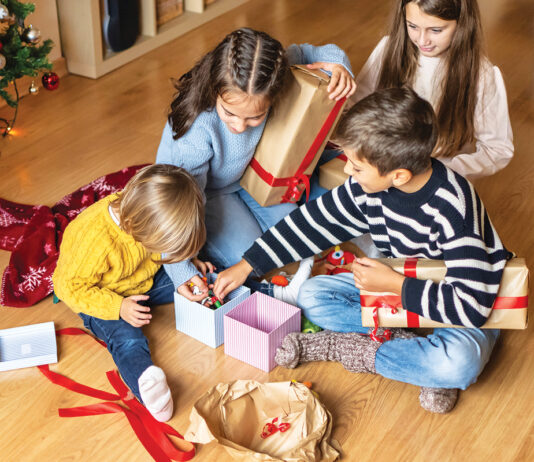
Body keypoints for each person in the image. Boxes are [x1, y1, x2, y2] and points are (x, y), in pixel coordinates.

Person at [212, 87, 512, 414]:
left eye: (356, 167)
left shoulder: (454, 207)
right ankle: (412, 353)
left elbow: (472, 306)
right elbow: (313, 223)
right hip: (398, 285)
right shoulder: (366, 188)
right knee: (312, 297)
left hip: (462, 299)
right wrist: (248, 265)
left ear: (398, 175)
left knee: (458, 365)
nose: (348, 173)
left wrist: (394, 286)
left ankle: (355, 350)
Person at [156, 27, 356, 300]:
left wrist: (338, 65)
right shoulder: (195, 131)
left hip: (253, 178)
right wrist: (179, 268)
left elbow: (311, 52)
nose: (239, 126)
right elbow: (171, 207)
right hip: (204, 195)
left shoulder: (279, 73)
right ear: (215, 87)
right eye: (230, 113)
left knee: (301, 240)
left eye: (254, 117)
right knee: (247, 257)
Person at [53, 164, 209, 422]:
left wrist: (186, 270)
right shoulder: (94, 237)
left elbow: (162, 253)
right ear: (143, 231)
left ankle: (263, 291)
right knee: (128, 339)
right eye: (164, 245)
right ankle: (146, 383)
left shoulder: (146, 215)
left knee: (200, 280)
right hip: (102, 298)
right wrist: (119, 307)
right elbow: (68, 287)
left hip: (141, 280)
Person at [351, 0, 513, 181]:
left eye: (435, 30)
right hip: (383, 170)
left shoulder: (481, 76)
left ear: (462, 23)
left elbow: (498, 149)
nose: (422, 40)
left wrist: (439, 171)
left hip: (439, 180)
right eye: (412, 26)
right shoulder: (388, 49)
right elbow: (355, 105)